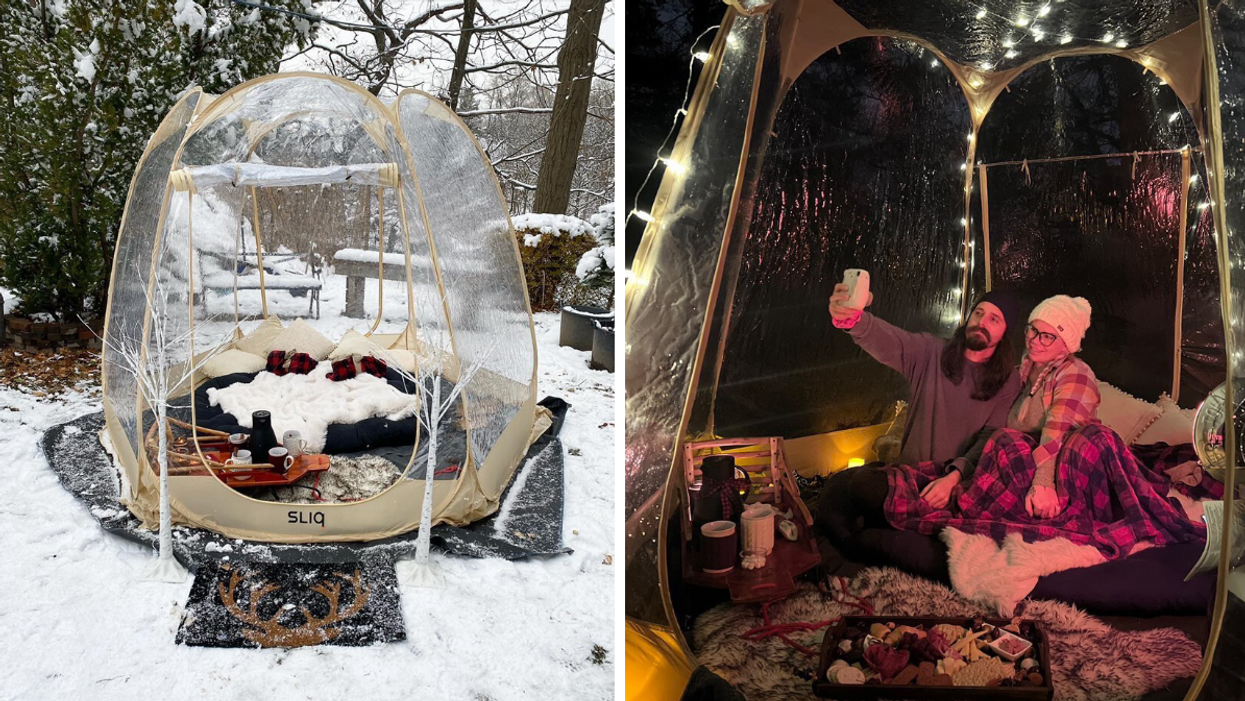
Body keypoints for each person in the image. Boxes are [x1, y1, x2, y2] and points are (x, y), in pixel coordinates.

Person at [817, 281, 1023, 547]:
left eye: (994, 319)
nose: (982, 322)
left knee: (869, 508)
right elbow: (893, 341)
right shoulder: (932, 352)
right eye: (978, 313)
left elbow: (991, 437)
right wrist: (854, 319)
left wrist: (955, 476)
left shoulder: (1008, 380)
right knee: (840, 486)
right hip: (907, 478)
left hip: (952, 486)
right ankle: (866, 535)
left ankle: (873, 536)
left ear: (1005, 332)